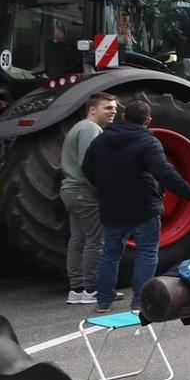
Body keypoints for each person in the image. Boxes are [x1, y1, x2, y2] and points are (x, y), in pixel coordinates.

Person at [85, 96, 190, 314]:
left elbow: (88, 169)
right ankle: (139, 301)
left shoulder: (100, 141)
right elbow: (163, 171)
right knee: (147, 252)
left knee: (110, 252)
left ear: (124, 116)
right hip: (143, 206)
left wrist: (105, 188)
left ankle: (103, 300)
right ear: (148, 120)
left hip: (111, 206)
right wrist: (189, 192)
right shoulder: (148, 142)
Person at [61, 92, 118, 304]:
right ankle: (91, 289)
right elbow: (92, 165)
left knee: (77, 240)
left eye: (114, 107)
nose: (113, 111)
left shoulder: (79, 127)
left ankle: (76, 290)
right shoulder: (91, 129)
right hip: (84, 193)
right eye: (108, 107)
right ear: (92, 110)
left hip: (70, 191)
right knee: (95, 241)